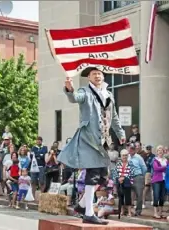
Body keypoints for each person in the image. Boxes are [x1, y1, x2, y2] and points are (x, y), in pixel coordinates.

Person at [59, 67, 126, 225]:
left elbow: (114, 117)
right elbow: (75, 97)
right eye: (94, 74)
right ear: (89, 77)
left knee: (103, 175)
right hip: (89, 139)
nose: (97, 76)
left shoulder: (108, 95)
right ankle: (88, 213)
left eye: (99, 73)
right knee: (93, 172)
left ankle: (82, 206)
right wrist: (69, 89)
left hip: (103, 140)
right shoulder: (85, 92)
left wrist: (121, 133)